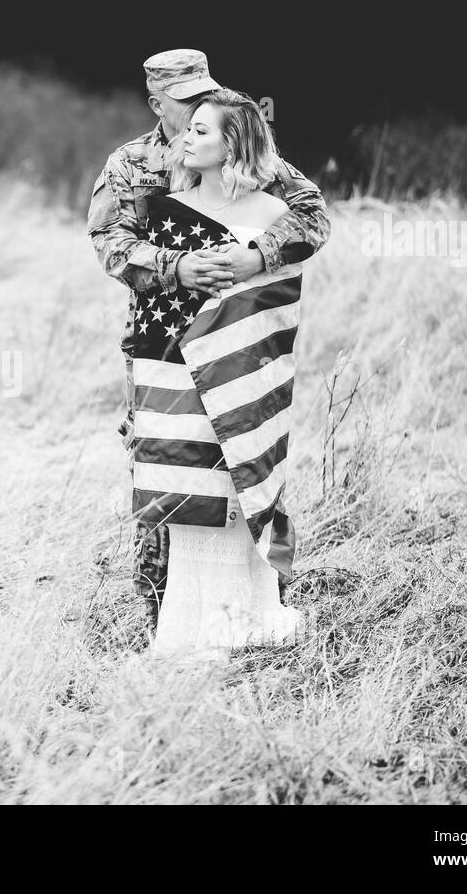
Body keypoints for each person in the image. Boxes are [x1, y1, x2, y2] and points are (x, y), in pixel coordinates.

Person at [86, 49, 329, 642]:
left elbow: (310, 216)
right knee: (163, 455)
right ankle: (162, 607)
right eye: (185, 100)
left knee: (235, 451)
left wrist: (256, 255)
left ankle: (247, 600)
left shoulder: (232, 141)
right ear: (157, 104)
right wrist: (176, 268)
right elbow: (109, 243)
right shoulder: (130, 164)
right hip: (163, 337)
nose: (199, 107)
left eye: (204, 95)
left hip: (234, 339)